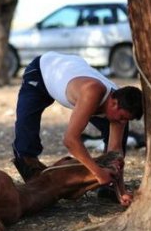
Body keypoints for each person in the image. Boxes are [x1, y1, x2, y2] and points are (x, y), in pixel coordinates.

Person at [12, 51, 143, 189]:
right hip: (42, 71)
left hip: (72, 68)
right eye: (122, 117)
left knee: (118, 141)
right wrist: (97, 172)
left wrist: (120, 190)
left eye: (126, 119)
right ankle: (30, 168)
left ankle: (109, 187)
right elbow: (70, 140)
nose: (122, 122)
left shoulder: (119, 102)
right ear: (114, 103)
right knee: (26, 126)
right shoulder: (91, 92)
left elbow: (116, 153)